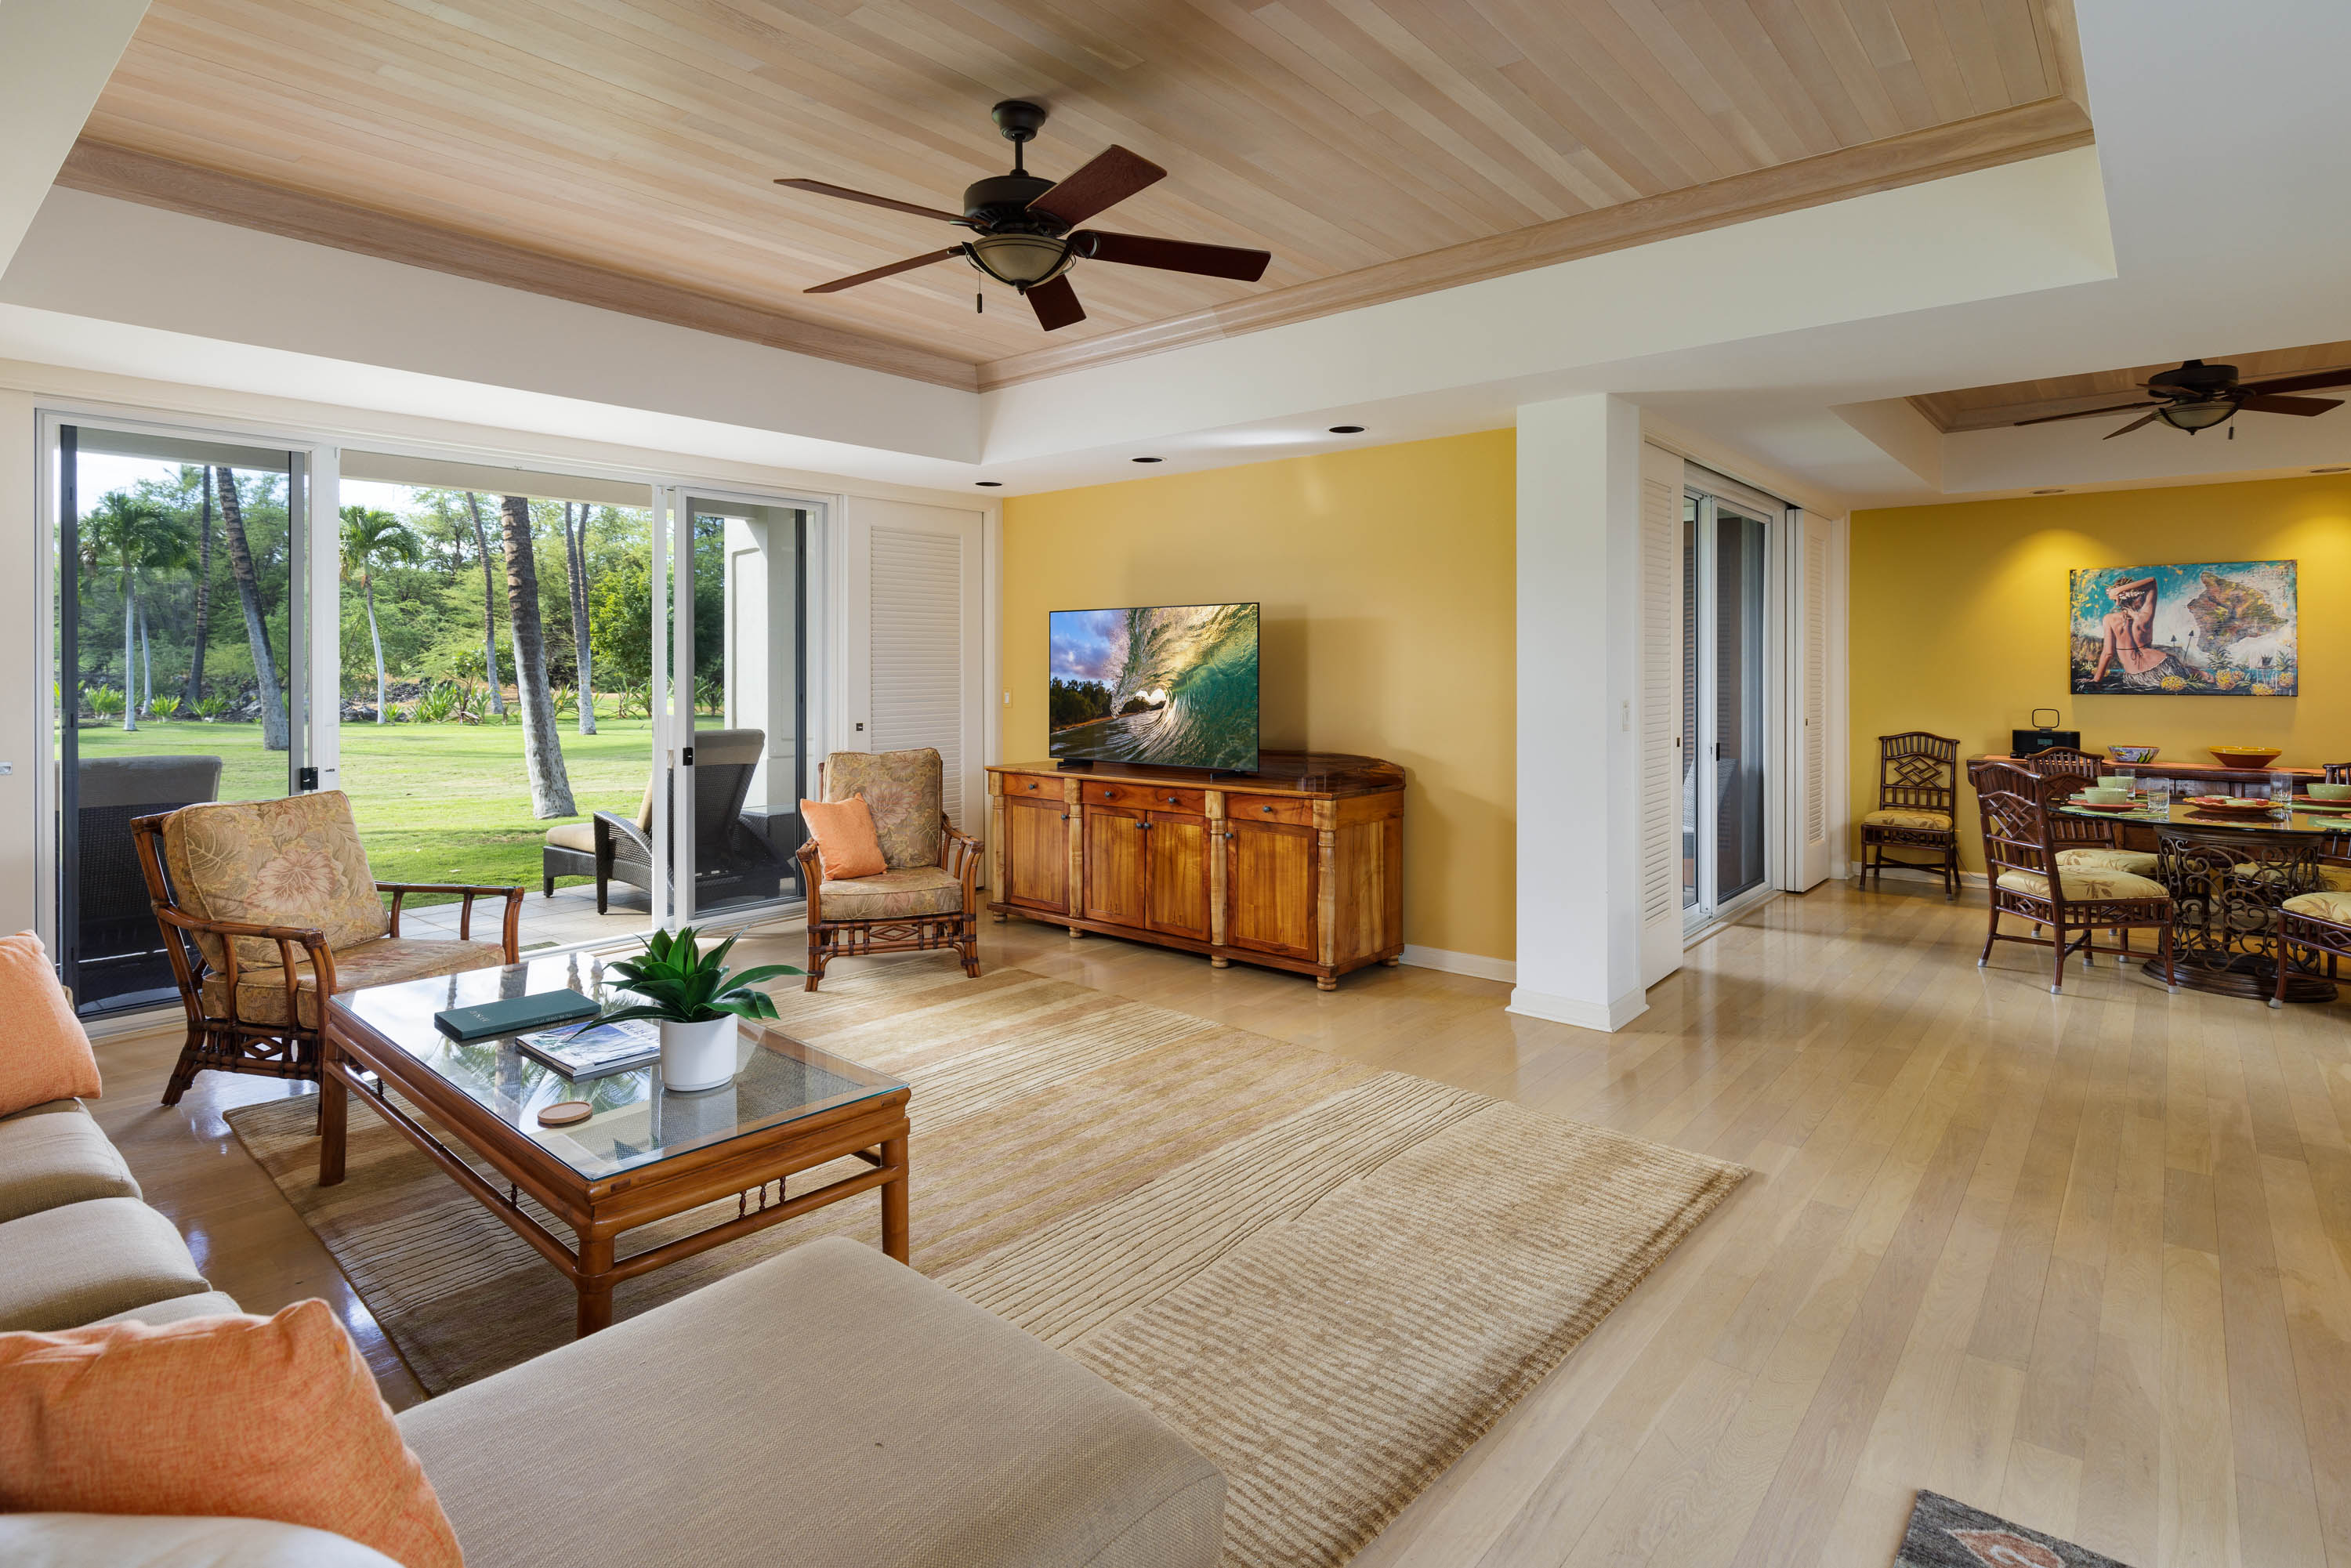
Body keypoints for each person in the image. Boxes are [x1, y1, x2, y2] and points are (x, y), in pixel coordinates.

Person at [2091, 575, 2197, 689]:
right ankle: (2195, 671)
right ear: (2136, 597)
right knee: (2184, 679)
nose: (2142, 600)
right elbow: (2152, 582)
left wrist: (2096, 680)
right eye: (2141, 597)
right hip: (2165, 665)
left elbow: (2108, 653)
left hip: (2137, 676)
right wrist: (2118, 591)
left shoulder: (2109, 619)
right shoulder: (2145, 615)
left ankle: (2195, 671)